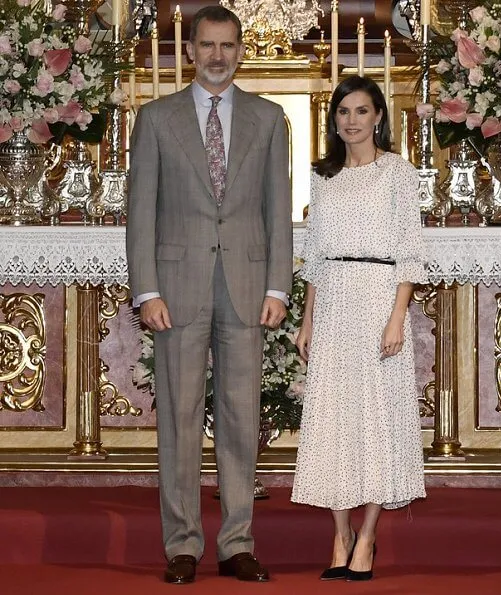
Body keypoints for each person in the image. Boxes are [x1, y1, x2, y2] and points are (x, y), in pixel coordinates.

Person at [126, 5, 292, 584]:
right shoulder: (155, 119)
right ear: (190, 51)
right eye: (208, 46)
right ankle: (182, 545)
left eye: (228, 45)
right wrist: (146, 288)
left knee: (241, 419)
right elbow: (139, 211)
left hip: (247, 287)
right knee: (178, 415)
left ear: (240, 49)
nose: (218, 56)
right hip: (176, 288)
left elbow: (278, 207)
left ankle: (237, 541)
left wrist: (278, 284)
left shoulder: (269, 119)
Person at [291, 75, 427, 582]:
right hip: (333, 306)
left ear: (378, 117)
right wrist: (307, 321)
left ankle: (368, 536)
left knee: (379, 418)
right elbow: (317, 253)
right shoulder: (323, 176)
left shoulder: (398, 172)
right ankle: (339, 533)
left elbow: (410, 249)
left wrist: (397, 316)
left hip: (378, 298)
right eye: (343, 112)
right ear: (334, 120)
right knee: (335, 418)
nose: (352, 121)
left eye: (362, 111)